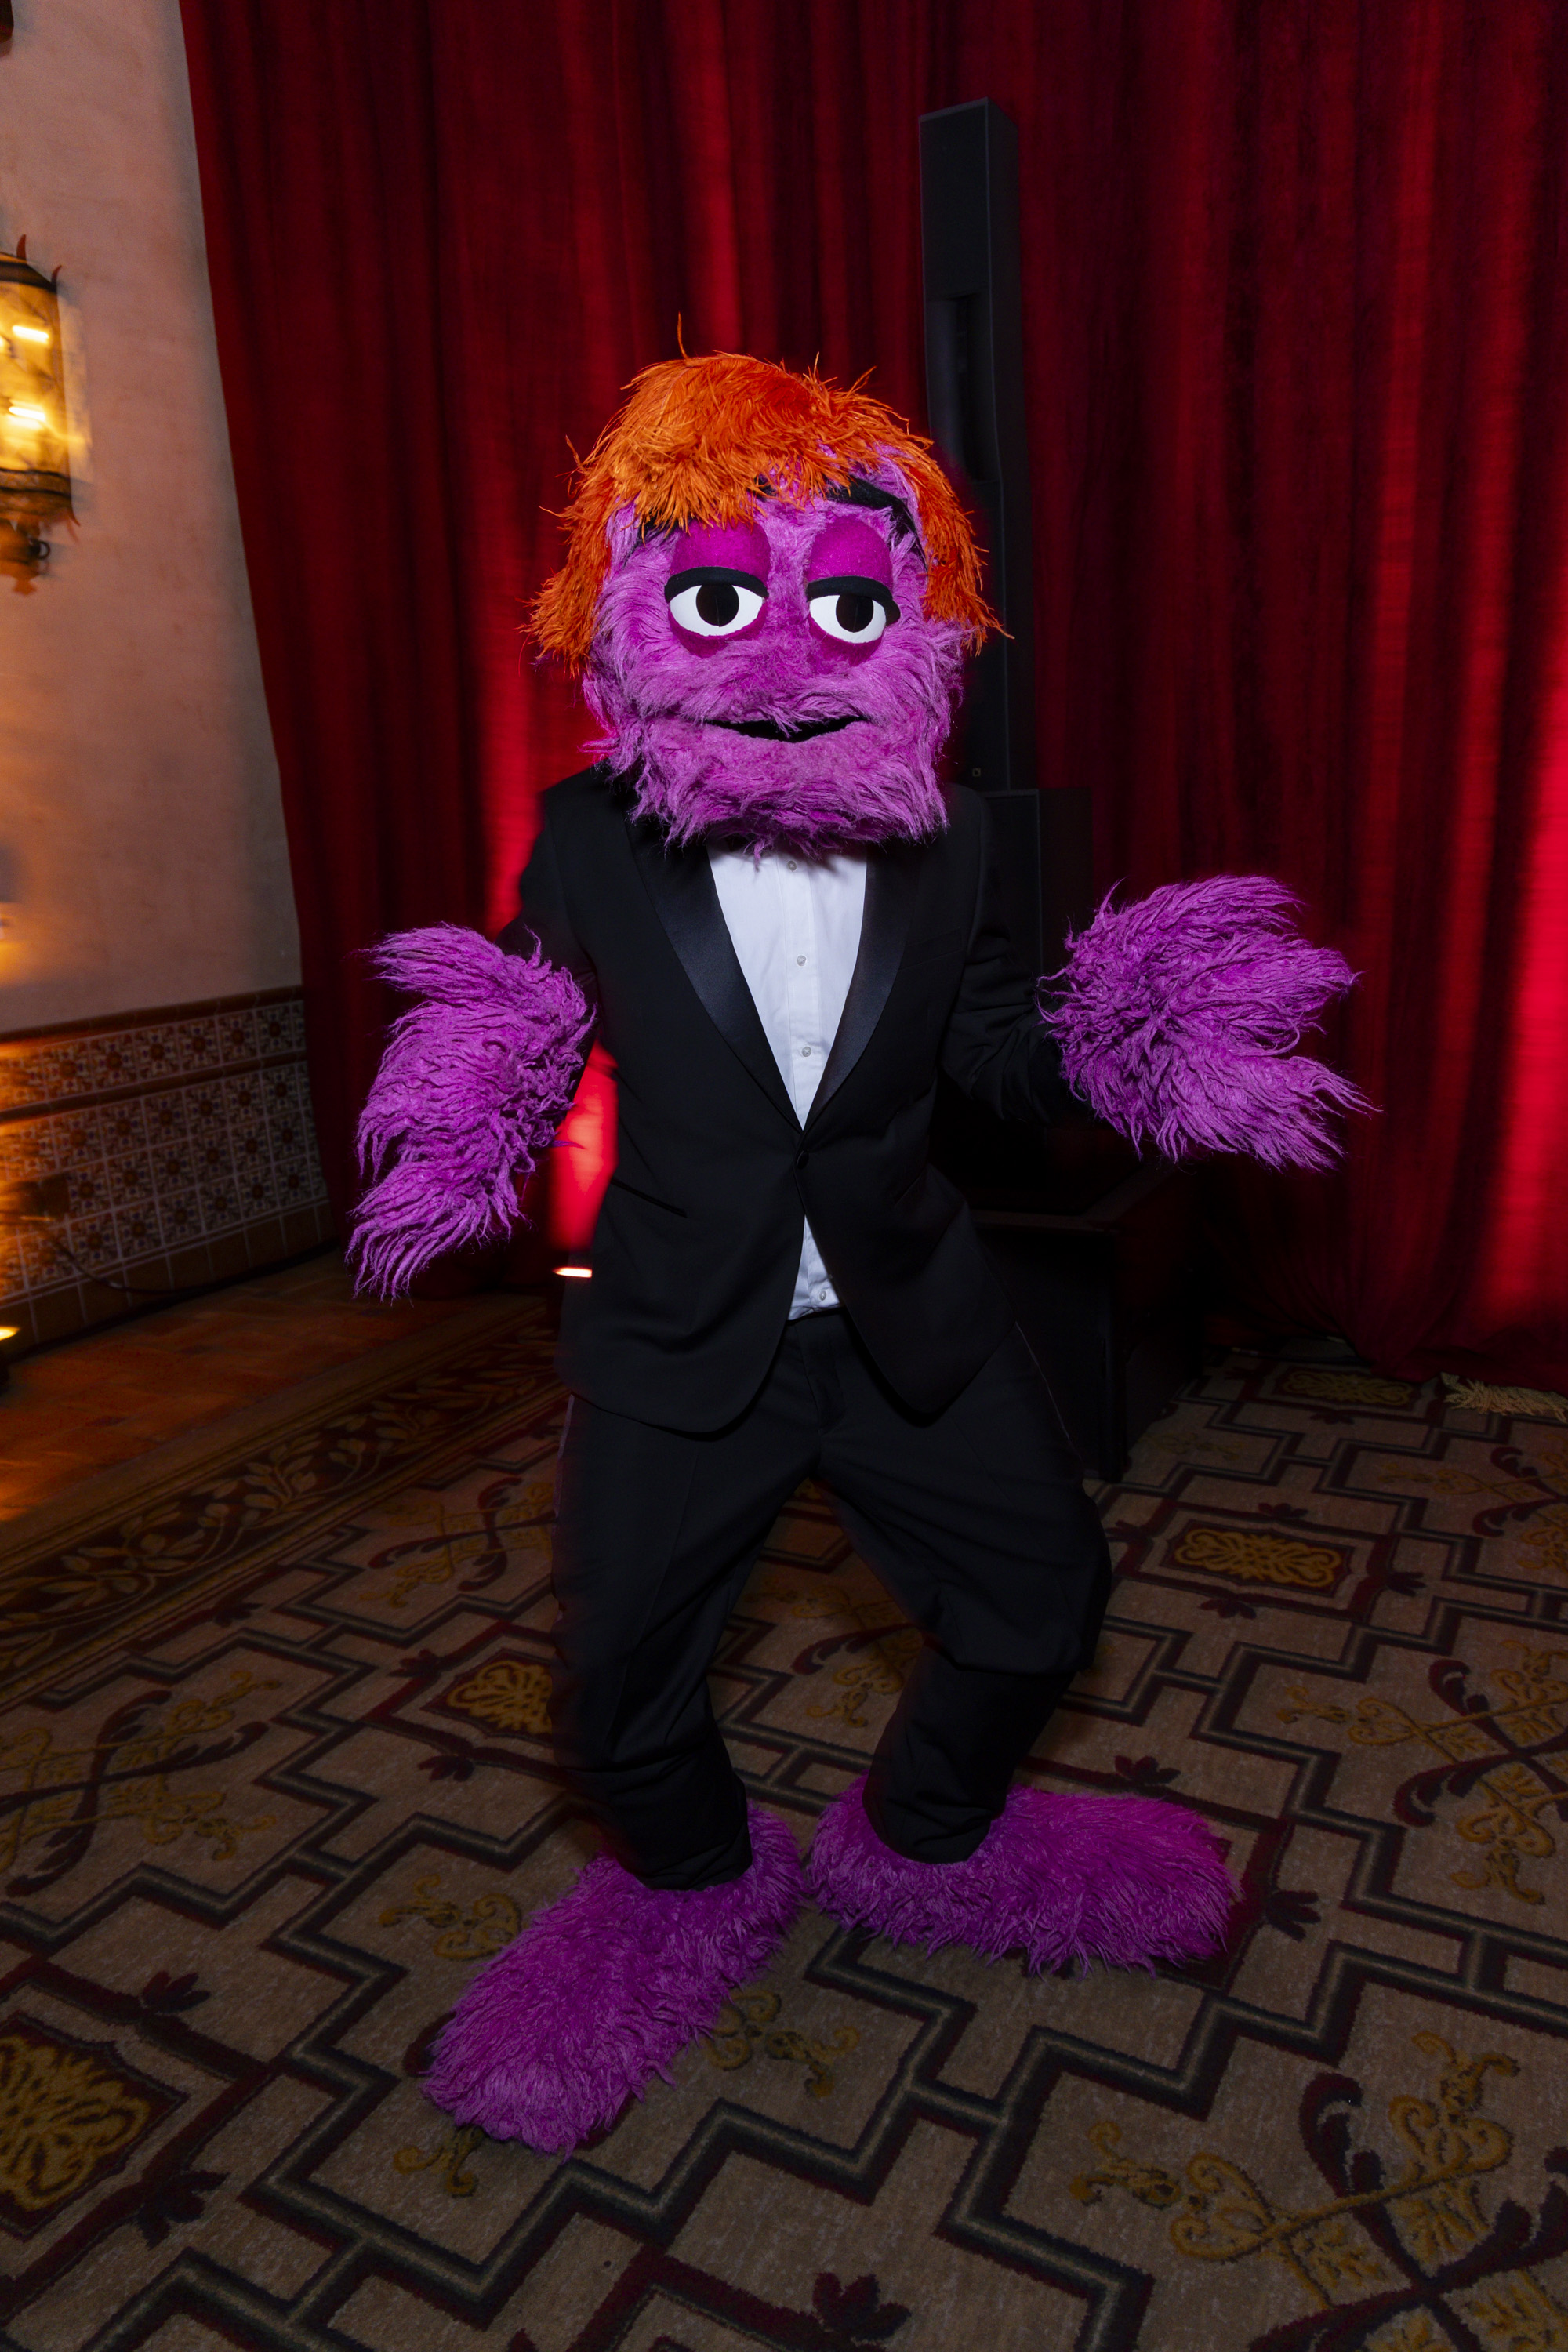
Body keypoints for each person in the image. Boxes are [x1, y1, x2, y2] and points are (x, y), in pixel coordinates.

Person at [352, 354, 1365, 2154]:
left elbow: (986, 1050)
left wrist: (1116, 1041)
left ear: (912, 615)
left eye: (837, 604)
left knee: (1044, 1604)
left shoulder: (951, 841)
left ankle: (922, 1839)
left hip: (910, 1313)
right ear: (636, 608)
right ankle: (687, 1885)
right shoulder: (589, 837)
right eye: (722, 600)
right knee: (614, 1689)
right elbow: (537, 1004)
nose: (784, 650)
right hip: (682, 1328)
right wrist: (474, 1089)